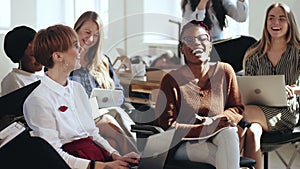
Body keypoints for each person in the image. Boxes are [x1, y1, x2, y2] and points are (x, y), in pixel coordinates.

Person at [23, 24, 139, 169]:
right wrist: (102, 166)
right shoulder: (38, 98)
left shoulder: (77, 89)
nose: (81, 50)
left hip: (93, 157)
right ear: (58, 56)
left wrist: (115, 155)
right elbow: (53, 154)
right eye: (75, 46)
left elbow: (92, 132)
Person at [154, 20, 244, 169]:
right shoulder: (170, 80)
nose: (197, 44)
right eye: (189, 40)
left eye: (202, 39)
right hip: (181, 143)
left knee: (229, 133)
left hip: (217, 134)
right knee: (222, 156)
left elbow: (236, 108)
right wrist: (205, 128)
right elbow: (167, 126)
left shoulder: (224, 71)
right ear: (182, 49)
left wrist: (217, 120)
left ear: (210, 45)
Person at [70, 11, 138, 155]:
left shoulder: (103, 61)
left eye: (96, 35)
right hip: (81, 118)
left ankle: (131, 160)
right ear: (76, 30)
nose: (91, 38)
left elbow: (119, 94)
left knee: (113, 140)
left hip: (105, 114)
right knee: (114, 117)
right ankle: (139, 158)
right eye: (87, 32)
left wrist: (108, 100)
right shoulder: (67, 60)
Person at [242, 3, 300, 169]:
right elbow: (248, 87)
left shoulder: (298, 52)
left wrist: (292, 89)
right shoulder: (254, 54)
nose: (276, 23)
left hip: (286, 111)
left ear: (289, 23)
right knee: (252, 133)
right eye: (271, 18)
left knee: (239, 114)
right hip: (258, 108)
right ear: (266, 22)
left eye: (282, 19)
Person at [1, 26, 43, 96]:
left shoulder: (39, 78)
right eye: (32, 55)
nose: (39, 58)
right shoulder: (13, 80)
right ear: (19, 56)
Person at [181, 0, 248, 41]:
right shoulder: (189, 3)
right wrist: (203, 2)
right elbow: (196, 24)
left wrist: (241, 1)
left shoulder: (221, 1)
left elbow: (241, 18)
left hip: (219, 44)